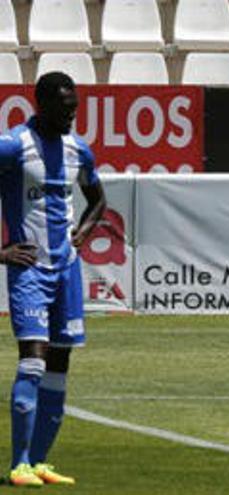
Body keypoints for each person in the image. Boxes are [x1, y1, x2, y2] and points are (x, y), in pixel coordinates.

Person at [0, 72, 106, 485]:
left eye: (75, 107)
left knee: (59, 366)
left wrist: (85, 230)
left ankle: (41, 461)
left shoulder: (78, 149)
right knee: (32, 363)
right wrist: (2, 251)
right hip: (29, 270)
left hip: (67, 271)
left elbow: (97, 199)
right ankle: (19, 464)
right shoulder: (13, 146)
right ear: (41, 104)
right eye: (65, 107)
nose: (72, 115)